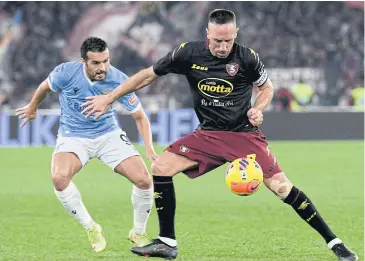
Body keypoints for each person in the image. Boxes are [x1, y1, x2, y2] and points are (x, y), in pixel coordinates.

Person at [80, 10, 358, 261]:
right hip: (208, 135)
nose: (223, 47)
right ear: (207, 35)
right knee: (161, 167)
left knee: (283, 189)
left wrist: (258, 109)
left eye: (228, 41)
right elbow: (146, 75)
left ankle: (335, 243)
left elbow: (267, 88)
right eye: (217, 41)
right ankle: (167, 242)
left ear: (235, 34)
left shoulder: (247, 57)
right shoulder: (187, 54)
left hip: (243, 136)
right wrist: (110, 97)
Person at [15, 37, 157, 253]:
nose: (103, 68)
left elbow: (140, 116)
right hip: (73, 137)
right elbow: (45, 87)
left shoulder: (118, 79)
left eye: (106, 61)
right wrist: (33, 107)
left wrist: (149, 148)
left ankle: (138, 232)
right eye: (96, 63)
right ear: (84, 62)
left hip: (108, 135)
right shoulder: (65, 72)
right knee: (59, 178)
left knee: (144, 180)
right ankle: (91, 227)